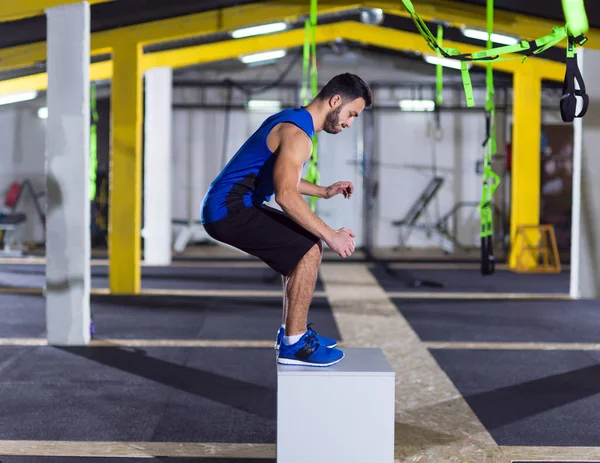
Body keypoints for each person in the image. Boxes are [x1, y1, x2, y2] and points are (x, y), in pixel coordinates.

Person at [201, 73, 372, 367]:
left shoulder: (293, 120)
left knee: (300, 247)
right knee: (310, 248)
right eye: (351, 114)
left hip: (230, 205)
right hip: (229, 210)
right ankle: (296, 343)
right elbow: (286, 195)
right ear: (335, 101)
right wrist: (331, 235)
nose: (349, 123)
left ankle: (292, 333)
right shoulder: (298, 135)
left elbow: (281, 175)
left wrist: (323, 190)